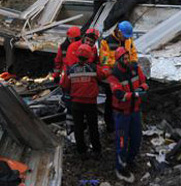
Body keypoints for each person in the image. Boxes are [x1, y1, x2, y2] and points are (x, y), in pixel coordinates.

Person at [107, 46, 148, 183]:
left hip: (135, 111)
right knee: (122, 142)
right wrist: (135, 94)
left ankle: (130, 160)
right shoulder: (114, 75)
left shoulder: (135, 69)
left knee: (136, 139)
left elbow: (144, 82)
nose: (127, 60)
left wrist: (141, 89)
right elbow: (119, 94)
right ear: (119, 60)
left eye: (127, 57)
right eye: (124, 58)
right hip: (122, 114)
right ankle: (120, 167)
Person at [61, 44, 108, 155]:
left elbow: (64, 85)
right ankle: (97, 150)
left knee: (78, 127)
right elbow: (103, 75)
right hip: (90, 103)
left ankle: (82, 152)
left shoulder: (71, 69)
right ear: (89, 56)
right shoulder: (93, 67)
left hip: (76, 103)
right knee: (93, 127)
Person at [99, 21, 138, 133]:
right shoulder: (106, 41)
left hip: (125, 77)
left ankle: (124, 122)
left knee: (125, 99)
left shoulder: (128, 40)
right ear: (118, 32)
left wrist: (133, 63)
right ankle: (110, 125)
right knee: (111, 101)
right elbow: (104, 60)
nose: (125, 39)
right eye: (124, 36)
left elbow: (134, 53)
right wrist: (118, 64)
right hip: (112, 77)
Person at [54, 26, 83, 136]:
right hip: (67, 77)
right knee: (69, 100)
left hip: (77, 78)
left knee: (73, 101)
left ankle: (74, 122)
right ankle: (70, 127)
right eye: (69, 38)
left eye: (72, 38)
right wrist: (56, 75)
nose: (70, 40)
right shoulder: (63, 47)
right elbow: (58, 61)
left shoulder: (81, 46)